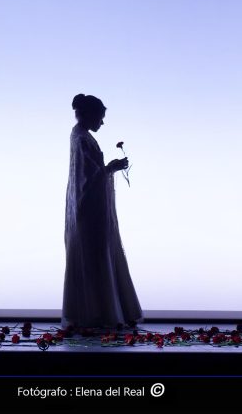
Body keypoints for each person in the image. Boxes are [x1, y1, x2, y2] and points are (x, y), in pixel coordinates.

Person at [61, 93, 142, 330]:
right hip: (89, 209)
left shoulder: (81, 136)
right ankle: (98, 312)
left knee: (96, 255)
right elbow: (88, 176)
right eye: (100, 117)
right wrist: (111, 168)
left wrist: (109, 169)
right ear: (90, 114)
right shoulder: (81, 139)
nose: (102, 123)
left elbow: (89, 174)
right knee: (95, 255)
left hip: (89, 205)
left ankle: (98, 311)